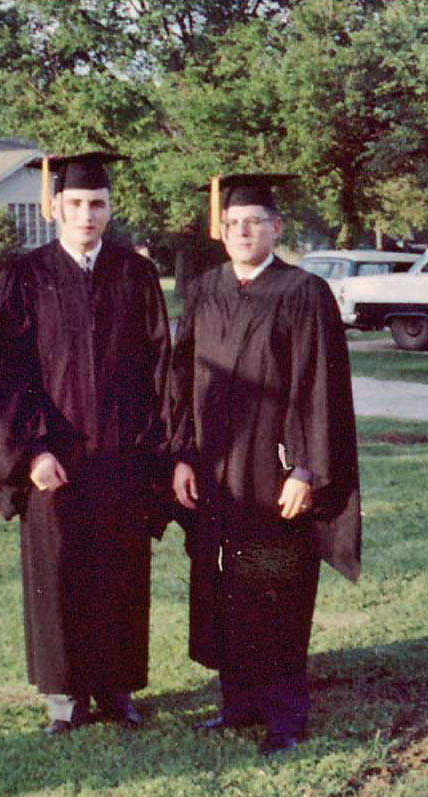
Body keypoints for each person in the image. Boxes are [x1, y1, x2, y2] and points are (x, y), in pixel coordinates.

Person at [0, 152, 171, 734]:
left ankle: (117, 691)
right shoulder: (26, 276)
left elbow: (160, 367)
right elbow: (6, 373)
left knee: (121, 572)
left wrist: (154, 449)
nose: (87, 214)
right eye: (77, 203)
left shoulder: (134, 276)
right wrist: (32, 451)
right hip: (54, 461)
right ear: (55, 206)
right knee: (59, 575)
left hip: (121, 456)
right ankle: (64, 699)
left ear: (112, 210)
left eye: (98, 204)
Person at [167, 173, 361, 754]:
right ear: (221, 231)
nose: (243, 231)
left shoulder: (303, 292)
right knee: (224, 584)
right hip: (213, 469)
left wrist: (306, 468)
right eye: (233, 223)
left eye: (255, 222)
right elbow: (179, 380)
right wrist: (180, 456)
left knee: (276, 586)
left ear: (276, 229)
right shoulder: (203, 290)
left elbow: (320, 390)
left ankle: (284, 715)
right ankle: (238, 703)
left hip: (274, 473)